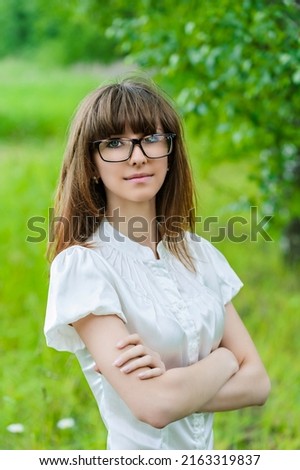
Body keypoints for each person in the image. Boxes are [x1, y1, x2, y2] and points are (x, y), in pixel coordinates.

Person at [44, 76, 271, 450]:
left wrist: (172, 387)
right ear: (90, 164)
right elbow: (153, 405)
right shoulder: (84, 267)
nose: (138, 156)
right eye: (114, 143)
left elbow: (258, 383)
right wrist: (227, 359)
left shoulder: (200, 255)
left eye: (151, 138)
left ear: (170, 152)